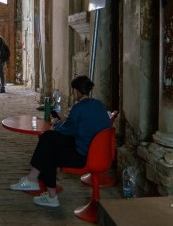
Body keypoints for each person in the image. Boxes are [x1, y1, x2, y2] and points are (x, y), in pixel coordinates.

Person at [8, 75, 112, 208]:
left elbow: (64, 131)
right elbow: (79, 126)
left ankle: (49, 195)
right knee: (48, 138)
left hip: (84, 156)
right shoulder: (99, 104)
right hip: (101, 153)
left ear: (75, 91)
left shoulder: (78, 108)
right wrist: (65, 122)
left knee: (49, 150)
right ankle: (32, 179)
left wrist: (55, 123)